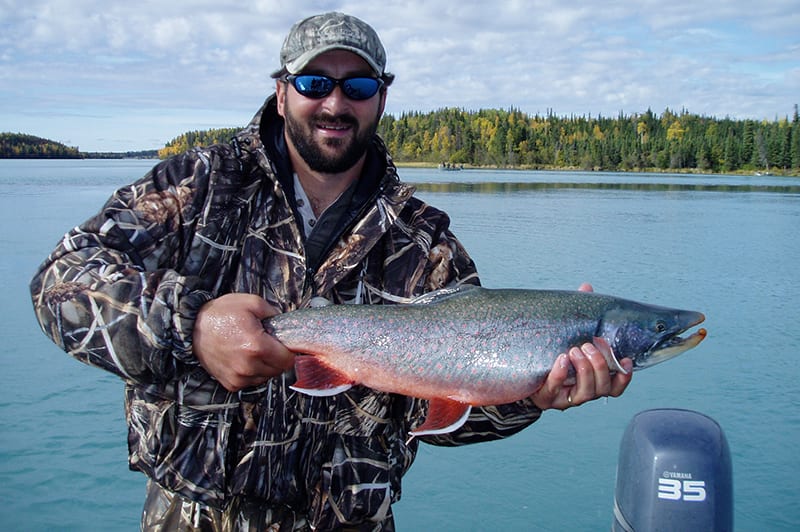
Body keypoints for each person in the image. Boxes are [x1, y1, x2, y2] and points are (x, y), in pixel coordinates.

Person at [30, 12, 632, 531]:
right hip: (191, 516)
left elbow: (447, 420)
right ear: (283, 90)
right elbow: (60, 281)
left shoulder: (424, 241)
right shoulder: (199, 185)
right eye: (316, 82)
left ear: (382, 96)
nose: (336, 103)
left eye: (359, 84)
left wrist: (536, 393)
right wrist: (192, 328)